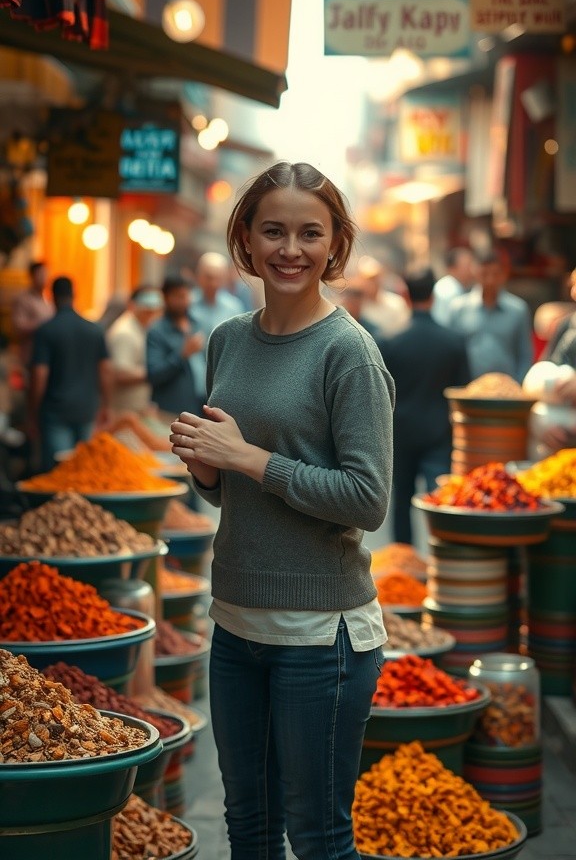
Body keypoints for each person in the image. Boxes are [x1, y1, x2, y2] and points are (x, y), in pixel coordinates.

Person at [170, 160, 395, 860]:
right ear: (245, 237)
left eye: (309, 233)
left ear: (335, 245)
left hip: (319, 637)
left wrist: (247, 459)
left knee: (320, 839)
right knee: (249, 830)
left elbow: (369, 498)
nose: (289, 249)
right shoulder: (228, 339)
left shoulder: (348, 353)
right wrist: (209, 468)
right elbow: (229, 485)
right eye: (273, 230)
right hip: (235, 624)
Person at [379, 267, 470, 543]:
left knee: (401, 501)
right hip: (439, 433)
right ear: (433, 294)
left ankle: (404, 563)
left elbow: (381, 393)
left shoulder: (388, 339)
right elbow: (463, 390)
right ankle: (443, 555)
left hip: (400, 433)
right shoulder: (452, 341)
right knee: (440, 501)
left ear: (404, 293)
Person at [29, 276, 112, 471]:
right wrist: (106, 405)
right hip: (87, 409)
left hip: (56, 411)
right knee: (84, 469)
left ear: (52, 297)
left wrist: (32, 412)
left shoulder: (46, 331)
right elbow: (106, 371)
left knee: (61, 472)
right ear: (74, 295)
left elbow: (39, 376)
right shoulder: (94, 330)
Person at [446, 248, 533, 383]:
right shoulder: (458, 308)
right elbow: (451, 353)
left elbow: (524, 354)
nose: (490, 280)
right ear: (474, 271)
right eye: (484, 274)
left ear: (504, 274)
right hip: (468, 391)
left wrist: (519, 385)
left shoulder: (517, 310)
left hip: (507, 392)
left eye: (495, 274)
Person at [146, 275, 205, 418]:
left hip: (201, 405)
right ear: (166, 298)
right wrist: (182, 355)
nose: (184, 300)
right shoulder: (157, 331)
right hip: (172, 410)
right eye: (178, 296)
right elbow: (154, 374)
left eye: (186, 295)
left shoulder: (196, 323)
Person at [189, 252, 244, 397]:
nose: (213, 283)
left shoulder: (234, 307)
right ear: (198, 276)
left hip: (223, 381)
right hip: (190, 383)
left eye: (218, 278)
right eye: (208, 277)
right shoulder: (187, 304)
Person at [106, 286, 163, 413]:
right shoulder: (124, 333)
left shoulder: (143, 329)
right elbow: (120, 373)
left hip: (137, 412)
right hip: (124, 414)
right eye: (148, 310)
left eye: (155, 310)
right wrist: (156, 371)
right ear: (133, 305)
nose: (152, 314)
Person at [10, 261, 54, 370]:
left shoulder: (48, 301)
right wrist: (44, 324)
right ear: (32, 276)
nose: (44, 278)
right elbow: (18, 326)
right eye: (41, 274)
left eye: (45, 274)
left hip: (46, 356)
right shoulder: (23, 299)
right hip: (30, 355)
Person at [355, 254, 410, 338]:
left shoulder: (396, 303)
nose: (371, 283)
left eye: (374, 279)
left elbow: (404, 332)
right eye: (368, 280)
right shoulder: (357, 308)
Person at [431, 246, 476, 326]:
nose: (472, 269)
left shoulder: (463, 287)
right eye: (468, 265)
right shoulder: (446, 290)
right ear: (452, 268)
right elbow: (442, 322)